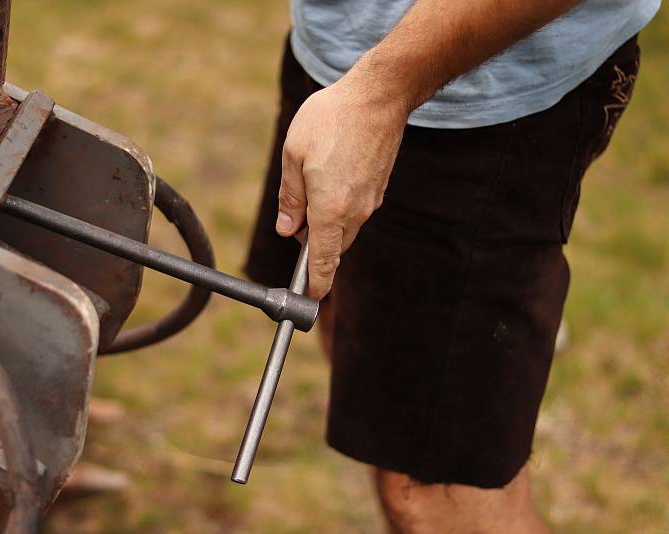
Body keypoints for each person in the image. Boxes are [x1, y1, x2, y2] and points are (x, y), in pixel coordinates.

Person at [245, 0, 661, 531]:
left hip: (473, 106)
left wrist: (382, 92)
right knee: (362, 359)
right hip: (339, 66)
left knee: (436, 498)